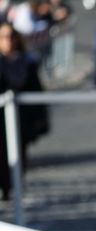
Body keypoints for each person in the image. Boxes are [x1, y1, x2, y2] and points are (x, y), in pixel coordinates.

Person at [0, 22, 48, 201]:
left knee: (19, 154)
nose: (8, 41)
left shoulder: (27, 62)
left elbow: (36, 90)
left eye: (11, 37)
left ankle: (15, 186)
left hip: (22, 119)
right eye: (4, 37)